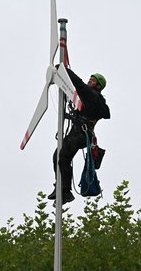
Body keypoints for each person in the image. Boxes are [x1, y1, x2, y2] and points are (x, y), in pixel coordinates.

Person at [48, 68, 111, 204]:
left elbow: (78, 84)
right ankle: (60, 186)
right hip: (80, 133)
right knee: (58, 156)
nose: (90, 80)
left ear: (98, 86)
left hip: (80, 134)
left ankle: (65, 191)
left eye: (93, 80)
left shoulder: (93, 96)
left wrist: (64, 69)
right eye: (90, 78)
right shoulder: (92, 99)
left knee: (62, 158)